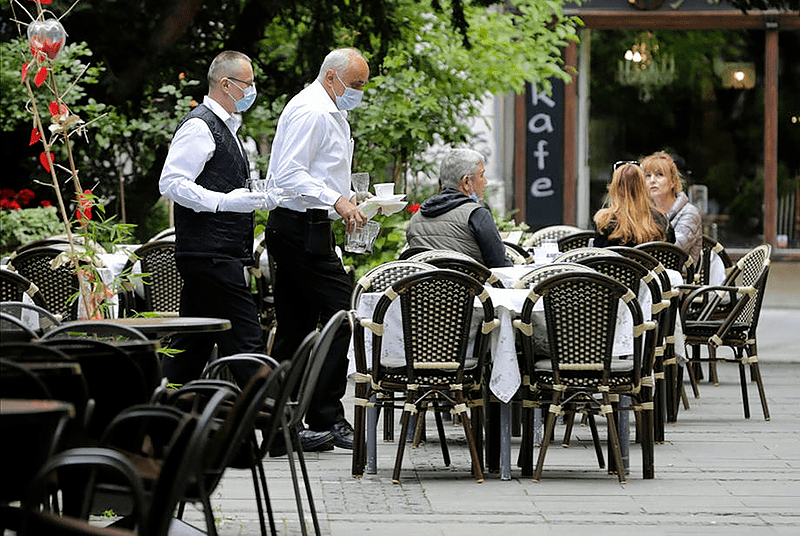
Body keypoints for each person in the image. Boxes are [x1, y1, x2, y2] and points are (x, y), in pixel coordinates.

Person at [264, 47, 370, 452]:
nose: (358, 92)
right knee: (343, 314)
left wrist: (343, 199)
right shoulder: (313, 110)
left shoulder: (327, 109)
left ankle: (280, 425)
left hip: (302, 226)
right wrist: (337, 200)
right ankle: (324, 414)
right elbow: (289, 172)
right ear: (332, 77)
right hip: (298, 227)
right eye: (356, 84)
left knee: (295, 328)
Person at [158, 50, 270, 387]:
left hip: (213, 254)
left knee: (192, 344)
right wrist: (223, 203)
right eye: (247, 84)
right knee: (248, 346)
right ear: (226, 83)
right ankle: (277, 435)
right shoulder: (200, 125)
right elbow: (172, 182)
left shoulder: (226, 127)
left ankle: (158, 422)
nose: (252, 91)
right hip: (211, 255)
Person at [405, 148, 512, 268]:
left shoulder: (416, 219)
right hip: (472, 286)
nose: (485, 182)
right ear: (466, 181)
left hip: (423, 286)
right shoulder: (477, 215)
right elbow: (500, 265)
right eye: (481, 175)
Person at [593, 162, 675, 248]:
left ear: (615, 188)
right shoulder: (662, 221)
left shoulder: (605, 222)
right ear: (643, 187)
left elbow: (599, 255)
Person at [642, 151, 703, 264]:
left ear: (673, 182)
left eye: (659, 174)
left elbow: (671, 252)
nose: (652, 180)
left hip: (679, 279)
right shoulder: (644, 212)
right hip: (648, 275)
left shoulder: (689, 213)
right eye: (647, 175)